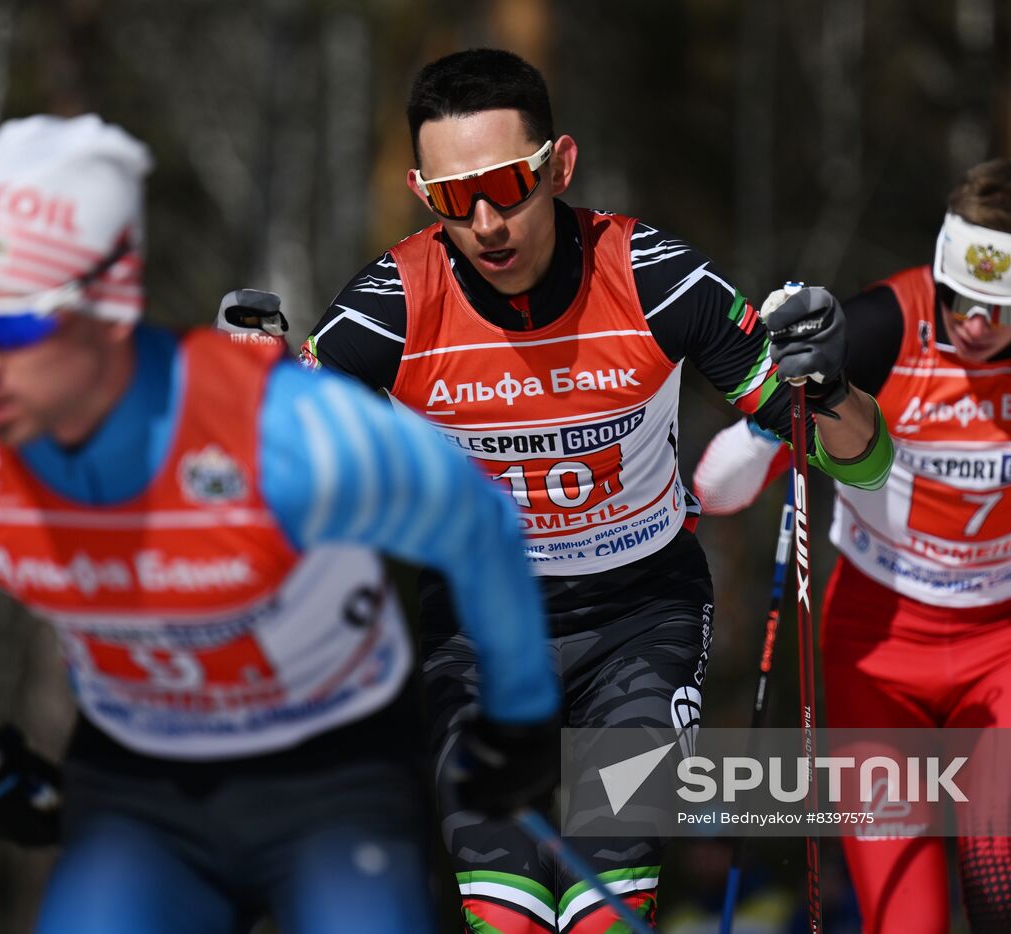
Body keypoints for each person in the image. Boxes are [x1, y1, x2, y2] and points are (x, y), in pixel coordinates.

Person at [0, 113, 559, 934]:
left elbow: (474, 519)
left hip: (332, 768)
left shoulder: (281, 433)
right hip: (141, 781)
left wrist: (519, 717)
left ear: (110, 305)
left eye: (13, 327)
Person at [295, 48, 892, 933]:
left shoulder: (653, 277)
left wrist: (831, 388)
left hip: (639, 621)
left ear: (559, 165)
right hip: (479, 630)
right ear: (427, 195)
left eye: (506, 184)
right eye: (454, 199)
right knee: (509, 915)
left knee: (606, 908)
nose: (487, 221)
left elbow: (858, 460)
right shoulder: (396, 303)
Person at [693, 159, 1011, 932]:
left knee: (1002, 896)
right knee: (905, 922)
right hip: (876, 645)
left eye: (1000, 307)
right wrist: (778, 408)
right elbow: (715, 490)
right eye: (960, 294)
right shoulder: (886, 324)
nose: (972, 321)